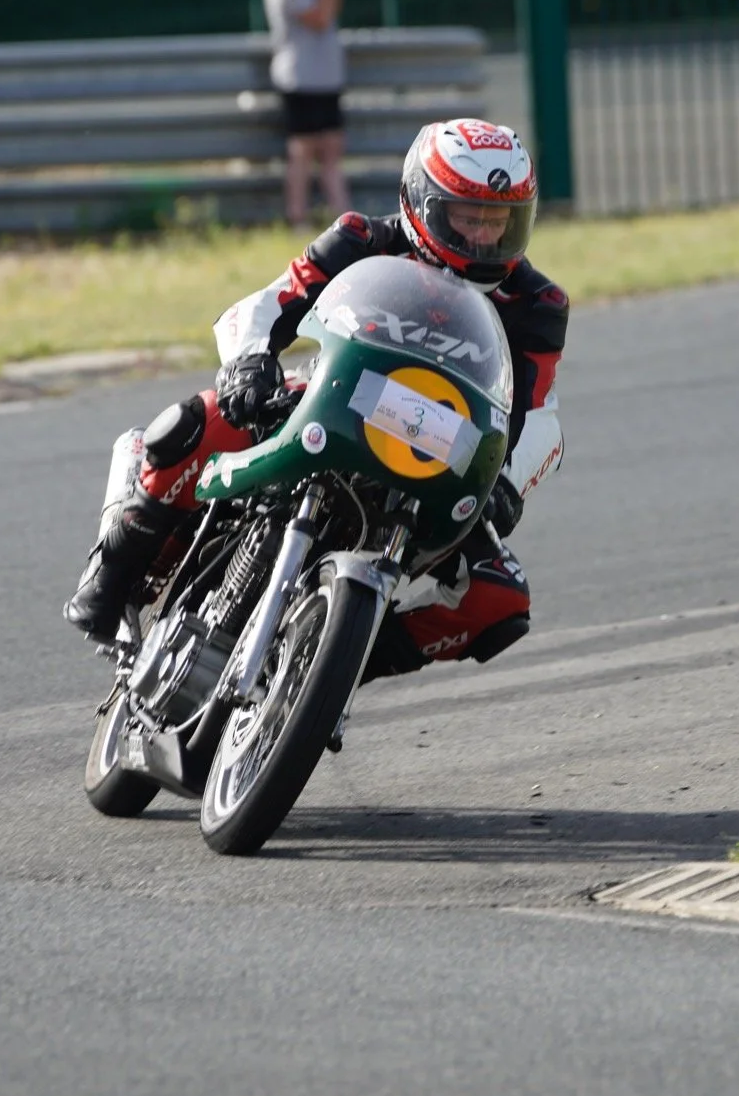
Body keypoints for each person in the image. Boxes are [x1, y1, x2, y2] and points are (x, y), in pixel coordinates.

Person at [63, 118, 567, 686]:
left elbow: (538, 417)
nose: (483, 239)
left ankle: (336, 661)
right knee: (195, 424)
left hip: (439, 453)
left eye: (499, 222)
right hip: (332, 404)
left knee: (499, 600)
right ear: (422, 203)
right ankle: (114, 568)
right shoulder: (360, 238)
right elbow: (264, 305)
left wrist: (506, 485)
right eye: (467, 217)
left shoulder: (538, 304)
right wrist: (250, 363)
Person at [264, 0, 351, 227]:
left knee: (331, 151)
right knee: (301, 151)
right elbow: (320, 18)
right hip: (300, 79)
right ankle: (297, 216)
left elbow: (331, 11)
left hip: (326, 78)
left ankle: (343, 218)